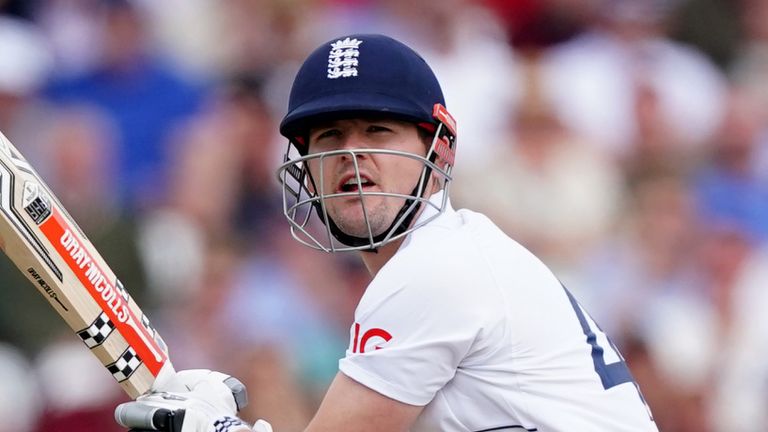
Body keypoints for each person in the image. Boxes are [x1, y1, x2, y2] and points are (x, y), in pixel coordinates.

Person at [115, 34, 658, 432]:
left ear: (440, 146)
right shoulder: (449, 256)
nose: (353, 155)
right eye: (329, 136)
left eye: (378, 129)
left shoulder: (435, 271)